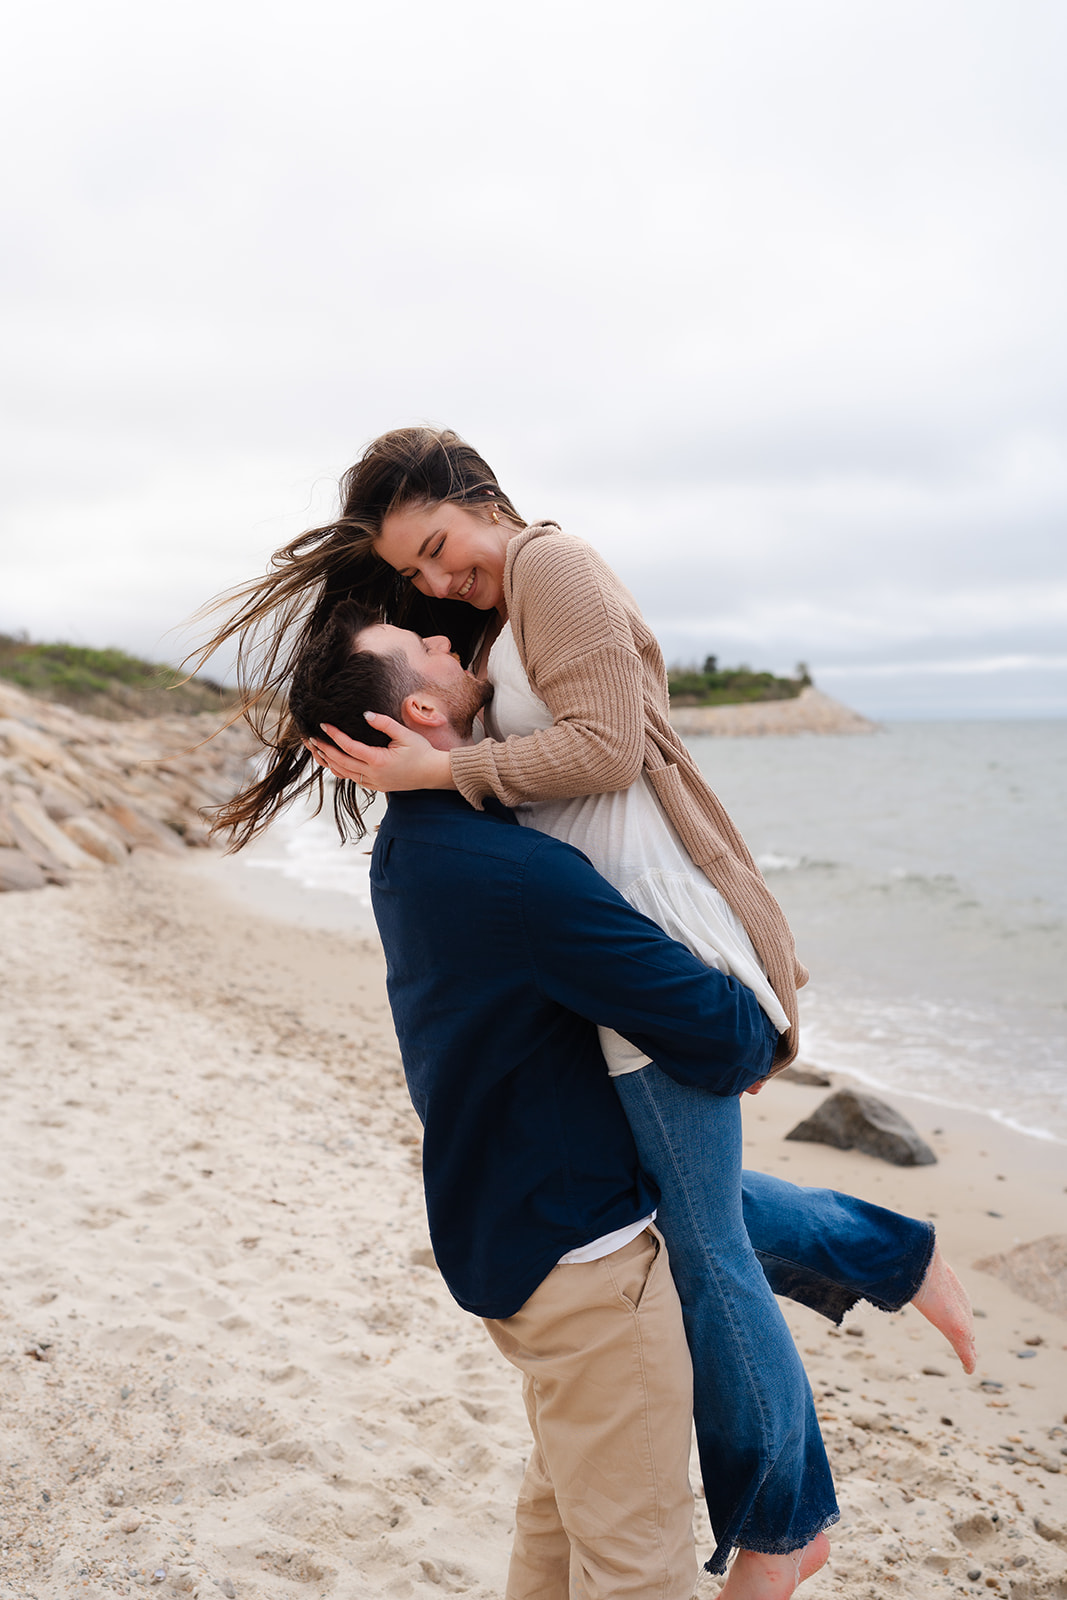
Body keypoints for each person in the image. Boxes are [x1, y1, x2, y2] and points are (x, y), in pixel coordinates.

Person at [196, 429, 976, 1590]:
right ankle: (794, 1501)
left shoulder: (433, 829)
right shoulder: (496, 855)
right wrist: (737, 1026)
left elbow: (605, 748)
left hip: (518, 1216)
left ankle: (818, 1435)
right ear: (415, 710)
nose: (432, 603)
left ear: (480, 498)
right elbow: (699, 1016)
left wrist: (431, 771)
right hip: (574, 1252)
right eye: (414, 599)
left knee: (671, 1289)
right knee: (687, 1278)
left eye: (434, 561)